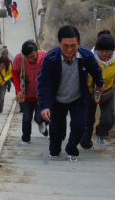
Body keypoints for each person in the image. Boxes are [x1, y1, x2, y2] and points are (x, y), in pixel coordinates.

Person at [37, 25, 104, 161]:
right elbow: (42, 83)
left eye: (73, 46)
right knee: (55, 128)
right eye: (65, 45)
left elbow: (96, 71)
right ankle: (54, 151)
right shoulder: (50, 58)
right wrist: (44, 106)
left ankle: (72, 150)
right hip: (57, 100)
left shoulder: (86, 55)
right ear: (59, 43)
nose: (69, 49)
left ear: (78, 43)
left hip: (78, 98)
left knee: (80, 126)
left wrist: (100, 84)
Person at [80, 31, 115, 148]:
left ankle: (100, 133)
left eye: (107, 51)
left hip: (107, 92)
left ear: (112, 50)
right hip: (89, 92)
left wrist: (111, 84)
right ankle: (86, 141)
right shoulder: (89, 57)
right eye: (101, 50)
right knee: (88, 119)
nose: (104, 53)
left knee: (108, 120)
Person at [11, 40, 49, 144]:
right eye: (28, 57)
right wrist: (18, 90)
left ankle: (42, 125)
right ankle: (25, 139)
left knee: (39, 117)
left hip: (41, 93)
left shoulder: (46, 56)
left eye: (33, 56)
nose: (31, 59)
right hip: (26, 93)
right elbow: (14, 73)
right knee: (27, 117)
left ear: (37, 51)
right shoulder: (19, 58)